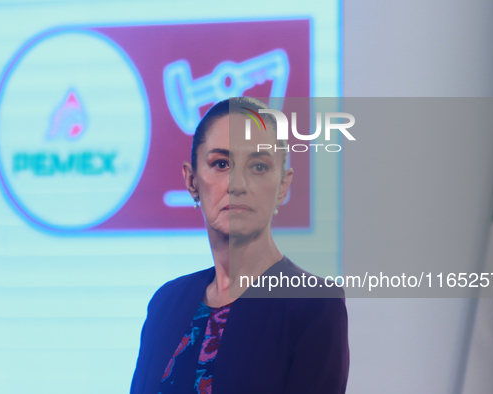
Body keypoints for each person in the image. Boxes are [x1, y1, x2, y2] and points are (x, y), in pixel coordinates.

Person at [130, 97, 349, 394]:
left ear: (283, 186)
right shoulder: (166, 302)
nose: (237, 184)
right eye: (220, 164)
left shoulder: (314, 305)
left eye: (258, 166)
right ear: (192, 181)